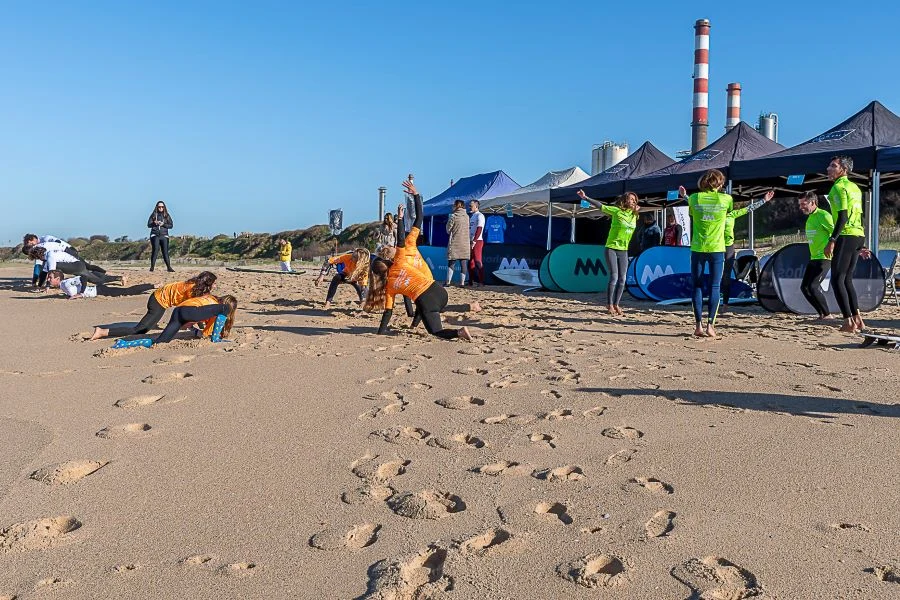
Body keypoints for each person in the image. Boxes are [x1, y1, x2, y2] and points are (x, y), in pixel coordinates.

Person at [367, 179, 471, 341]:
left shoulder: (391, 283)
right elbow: (418, 219)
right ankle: (415, 324)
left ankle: (458, 332)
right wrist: (413, 198)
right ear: (389, 259)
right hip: (436, 288)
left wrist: (380, 333)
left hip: (425, 298)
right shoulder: (402, 254)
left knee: (429, 318)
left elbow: (388, 312)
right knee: (421, 304)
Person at [678, 169, 732, 338]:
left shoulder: (694, 198)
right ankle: (710, 326)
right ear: (720, 183)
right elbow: (728, 214)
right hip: (717, 248)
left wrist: (686, 197)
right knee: (715, 286)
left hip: (698, 248)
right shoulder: (726, 199)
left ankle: (698, 326)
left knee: (697, 286)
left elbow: (693, 213)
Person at [90, 271, 217, 340]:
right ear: (207, 283)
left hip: (158, 297)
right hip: (158, 301)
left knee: (144, 328)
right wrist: (197, 328)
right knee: (140, 330)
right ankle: (102, 332)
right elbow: (189, 310)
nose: (215, 286)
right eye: (214, 283)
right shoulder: (192, 290)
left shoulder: (196, 286)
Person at [576, 189, 639, 316]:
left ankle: (616, 304)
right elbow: (601, 206)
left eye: (634, 200)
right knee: (614, 277)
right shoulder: (616, 211)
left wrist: (635, 211)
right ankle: (609, 304)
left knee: (623, 279)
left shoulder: (634, 216)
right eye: (630, 199)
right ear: (625, 200)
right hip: (611, 247)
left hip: (624, 250)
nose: (632, 201)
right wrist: (585, 197)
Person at [823, 156, 866, 332]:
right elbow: (860, 216)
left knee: (837, 279)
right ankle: (858, 319)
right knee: (847, 279)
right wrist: (862, 243)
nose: (828, 169)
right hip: (858, 235)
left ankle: (848, 321)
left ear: (843, 170)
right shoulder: (855, 187)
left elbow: (843, 216)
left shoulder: (838, 188)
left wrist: (832, 240)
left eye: (833, 166)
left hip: (846, 235)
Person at [721, 190, 774, 307]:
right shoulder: (714, 215)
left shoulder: (732, 214)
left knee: (726, 275)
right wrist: (685, 197)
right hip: (715, 246)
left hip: (728, 246)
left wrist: (764, 200)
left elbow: (749, 208)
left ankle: (725, 302)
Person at [797, 192, 835, 320]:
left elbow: (836, 232)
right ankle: (822, 314)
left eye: (803, 204)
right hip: (814, 258)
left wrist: (831, 245)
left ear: (812, 202)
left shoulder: (823, 215)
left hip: (824, 258)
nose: (801, 207)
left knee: (813, 286)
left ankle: (828, 314)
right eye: (800, 204)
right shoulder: (810, 218)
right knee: (804, 287)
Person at [153, 295, 237, 344]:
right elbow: (205, 334)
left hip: (178, 310)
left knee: (160, 341)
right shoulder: (218, 308)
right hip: (190, 311)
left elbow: (198, 312)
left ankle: (139, 343)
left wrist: (193, 329)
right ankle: (216, 339)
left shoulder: (209, 298)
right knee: (225, 308)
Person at [29, 246, 121, 287]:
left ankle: (59, 283)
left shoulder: (50, 256)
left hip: (76, 266)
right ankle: (119, 278)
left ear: (39, 256)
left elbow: (51, 272)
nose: (39, 260)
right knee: (96, 281)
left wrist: (48, 287)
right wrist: (40, 285)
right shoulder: (48, 257)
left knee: (52, 270)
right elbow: (44, 272)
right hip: (77, 266)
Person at [46, 270, 153, 299]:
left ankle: (153, 286)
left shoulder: (65, 283)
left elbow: (83, 277)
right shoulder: (63, 287)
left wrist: (81, 294)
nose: (48, 279)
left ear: (58, 278)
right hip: (99, 290)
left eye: (50, 278)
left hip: (100, 290)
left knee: (127, 291)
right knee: (126, 291)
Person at [445, 200, 470, 286]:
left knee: (451, 262)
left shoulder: (453, 216)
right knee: (463, 263)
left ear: (456, 206)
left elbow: (448, 230)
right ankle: (462, 283)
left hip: (455, 241)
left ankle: (448, 282)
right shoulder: (467, 216)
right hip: (465, 243)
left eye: (453, 205)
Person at [148, 200, 175, 272]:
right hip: (155, 235)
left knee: (165, 252)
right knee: (155, 250)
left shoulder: (167, 215)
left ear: (164, 207)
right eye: (159, 207)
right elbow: (148, 225)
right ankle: (152, 267)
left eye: (162, 207)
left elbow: (171, 225)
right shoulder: (153, 215)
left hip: (164, 235)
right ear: (157, 207)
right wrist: (154, 223)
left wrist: (163, 224)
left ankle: (169, 267)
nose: (161, 208)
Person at [468, 199, 486, 286]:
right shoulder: (472, 216)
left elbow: (479, 228)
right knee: (470, 261)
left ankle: (481, 281)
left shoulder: (480, 216)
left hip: (477, 241)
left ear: (476, 206)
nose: (469, 207)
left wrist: (474, 241)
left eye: (471, 206)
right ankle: (471, 281)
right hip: (470, 240)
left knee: (478, 261)